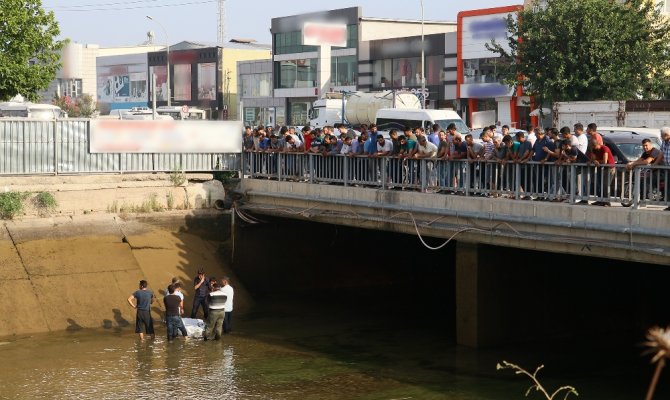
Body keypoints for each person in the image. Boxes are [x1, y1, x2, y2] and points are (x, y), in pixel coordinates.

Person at [660, 127, 670, 211]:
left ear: (666, 135)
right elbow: (661, 154)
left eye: (662, 135)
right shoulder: (664, 142)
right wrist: (655, 164)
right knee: (668, 187)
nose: (661, 137)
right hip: (667, 168)